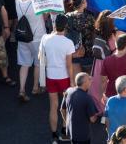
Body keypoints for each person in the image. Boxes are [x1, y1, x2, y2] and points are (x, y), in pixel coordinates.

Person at [39, 13, 75, 144]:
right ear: (66, 27)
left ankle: (54, 135)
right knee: (64, 106)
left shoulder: (45, 38)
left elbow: (40, 57)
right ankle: (64, 131)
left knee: (53, 106)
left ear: (54, 25)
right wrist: (71, 81)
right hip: (64, 77)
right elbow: (69, 64)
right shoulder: (68, 43)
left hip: (50, 76)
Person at [61, 72, 100, 144]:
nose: (91, 81)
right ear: (84, 83)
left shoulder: (68, 91)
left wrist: (67, 122)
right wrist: (99, 113)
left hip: (71, 131)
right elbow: (93, 119)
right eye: (89, 79)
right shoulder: (87, 98)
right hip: (83, 135)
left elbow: (62, 110)